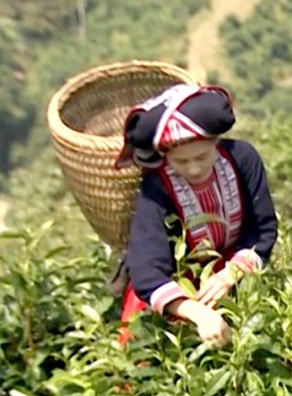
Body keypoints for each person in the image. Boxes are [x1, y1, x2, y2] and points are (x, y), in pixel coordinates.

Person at [115, 84, 278, 347]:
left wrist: (229, 274)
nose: (193, 168)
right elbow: (147, 269)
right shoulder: (157, 187)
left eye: (202, 156)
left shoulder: (243, 159)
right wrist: (197, 312)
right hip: (174, 295)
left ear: (216, 141)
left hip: (233, 277)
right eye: (180, 162)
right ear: (165, 157)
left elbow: (262, 230)